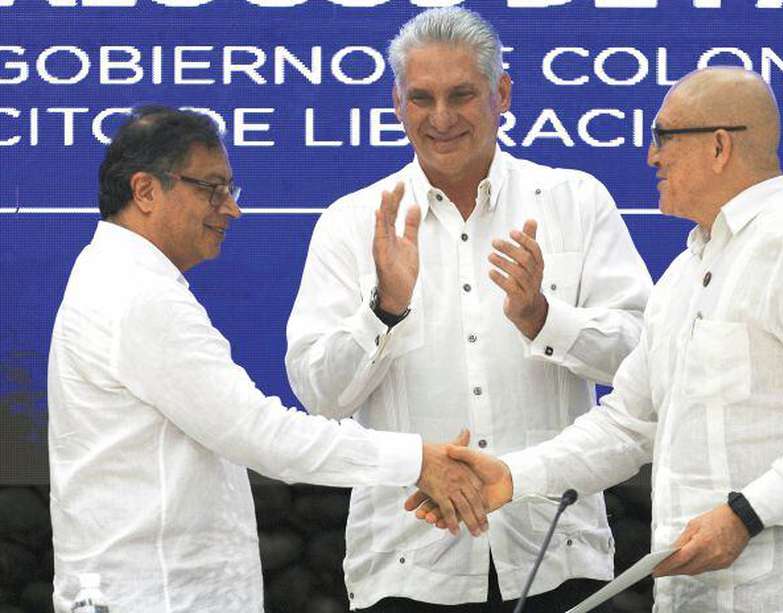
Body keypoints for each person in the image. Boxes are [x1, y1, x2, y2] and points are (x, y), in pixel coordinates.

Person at [409, 67, 783, 613]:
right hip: (695, 595)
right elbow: (627, 422)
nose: (651, 157)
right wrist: (510, 477)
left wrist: (746, 512)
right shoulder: (681, 274)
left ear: (719, 146)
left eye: (663, 136)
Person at [47, 105, 488, 612]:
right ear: (145, 191)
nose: (230, 209)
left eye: (230, 190)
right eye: (211, 188)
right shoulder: (137, 295)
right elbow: (261, 435)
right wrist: (416, 460)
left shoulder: (114, 276)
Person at [284, 7, 652, 612]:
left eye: (462, 95)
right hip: (408, 561)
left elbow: (645, 359)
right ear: (397, 102)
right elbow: (319, 394)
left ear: (501, 93)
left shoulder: (574, 201)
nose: (442, 117)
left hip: (553, 553)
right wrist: (386, 309)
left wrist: (543, 317)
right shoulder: (353, 223)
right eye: (422, 98)